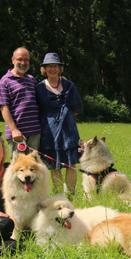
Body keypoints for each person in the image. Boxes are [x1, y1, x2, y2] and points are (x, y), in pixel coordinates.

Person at [35, 52, 84, 195]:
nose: (52, 69)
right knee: (54, 164)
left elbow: (77, 107)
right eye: (49, 66)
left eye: (55, 66)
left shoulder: (69, 85)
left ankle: (71, 195)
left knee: (71, 163)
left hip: (68, 129)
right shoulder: (39, 88)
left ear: (60, 68)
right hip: (49, 130)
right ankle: (58, 195)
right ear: (44, 69)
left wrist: (65, 117)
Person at [0, 47, 42, 157]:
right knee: (18, 169)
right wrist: (14, 130)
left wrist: (60, 81)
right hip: (17, 135)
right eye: (20, 59)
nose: (23, 63)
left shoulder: (31, 79)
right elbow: (4, 108)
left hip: (35, 131)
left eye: (26, 60)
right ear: (13, 60)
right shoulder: (5, 81)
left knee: (34, 168)